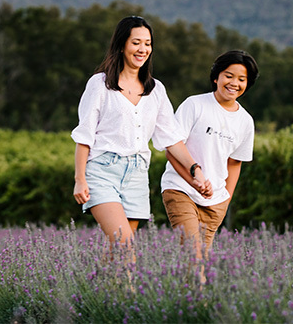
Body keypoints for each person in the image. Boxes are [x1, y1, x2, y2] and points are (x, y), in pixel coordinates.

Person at [71, 15, 212, 249]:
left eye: (147, 43)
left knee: (118, 250)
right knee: (124, 244)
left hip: (137, 174)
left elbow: (172, 139)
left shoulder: (155, 90)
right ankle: (129, 288)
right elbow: (84, 135)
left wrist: (195, 170)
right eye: (136, 42)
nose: (142, 49)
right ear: (122, 44)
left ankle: (101, 287)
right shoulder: (100, 84)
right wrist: (80, 179)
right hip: (102, 171)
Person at [161, 50, 258, 257]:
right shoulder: (194, 105)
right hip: (180, 189)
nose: (234, 83)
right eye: (229, 76)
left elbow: (234, 163)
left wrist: (225, 201)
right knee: (192, 253)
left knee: (201, 262)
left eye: (242, 79)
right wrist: (193, 179)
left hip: (215, 201)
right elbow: (172, 149)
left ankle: (182, 290)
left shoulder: (246, 121)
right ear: (216, 77)